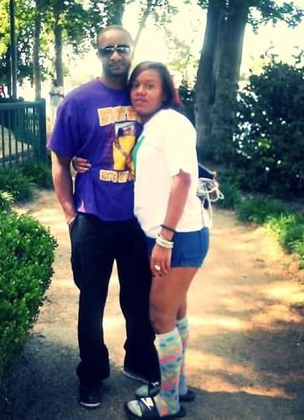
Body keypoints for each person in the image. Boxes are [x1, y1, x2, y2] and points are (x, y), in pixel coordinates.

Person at [48, 25, 159, 410]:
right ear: (97, 54)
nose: (115, 55)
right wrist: (70, 216)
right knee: (91, 302)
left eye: (122, 48)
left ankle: (140, 360)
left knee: (139, 299)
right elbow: (60, 161)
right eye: (107, 50)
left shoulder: (146, 96)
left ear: (131, 50)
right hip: (91, 219)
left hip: (137, 221)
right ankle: (92, 374)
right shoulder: (78, 101)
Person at [123, 62, 211, 419]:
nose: (140, 91)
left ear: (165, 92)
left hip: (179, 236)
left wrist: (165, 238)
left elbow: (183, 179)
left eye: (150, 85)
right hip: (170, 235)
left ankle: (168, 402)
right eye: (136, 85)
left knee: (159, 316)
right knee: (175, 313)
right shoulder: (155, 125)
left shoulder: (171, 123)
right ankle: (177, 386)